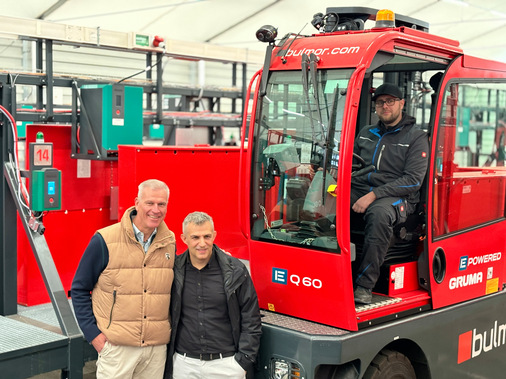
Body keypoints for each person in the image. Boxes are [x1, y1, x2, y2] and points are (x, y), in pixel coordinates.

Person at [71, 179, 176, 378]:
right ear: (137, 202)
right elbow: (79, 289)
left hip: (155, 351)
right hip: (117, 348)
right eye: (150, 203)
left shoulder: (169, 242)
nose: (156, 209)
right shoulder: (105, 240)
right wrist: (94, 336)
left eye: (161, 204)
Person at [351, 83, 429, 304]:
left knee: (379, 216)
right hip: (359, 187)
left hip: (396, 196)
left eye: (390, 101)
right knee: (324, 202)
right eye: (380, 102)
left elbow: (413, 180)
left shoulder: (416, 137)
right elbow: (351, 164)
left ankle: (365, 285)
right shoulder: (367, 133)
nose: (384, 106)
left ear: (402, 104)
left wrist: (374, 195)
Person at [164, 211, 262, 379]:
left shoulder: (236, 270)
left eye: (207, 236)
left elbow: (251, 318)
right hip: (184, 365)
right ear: (184, 238)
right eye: (195, 237)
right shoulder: (174, 271)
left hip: (227, 365)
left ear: (214, 235)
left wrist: (243, 361)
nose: (202, 243)